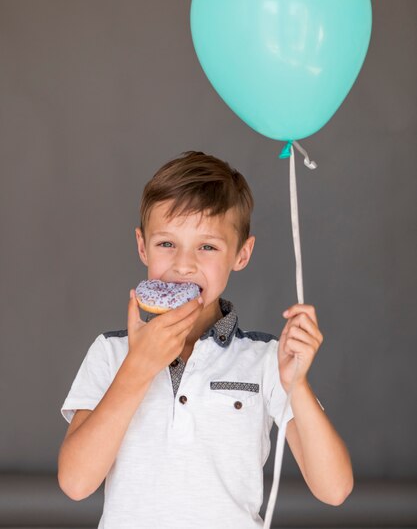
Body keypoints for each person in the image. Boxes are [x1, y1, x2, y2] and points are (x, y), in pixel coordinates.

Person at [58, 150, 353, 528]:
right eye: (167, 243)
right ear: (142, 246)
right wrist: (138, 367)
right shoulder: (110, 353)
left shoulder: (266, 359)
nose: (184, 264)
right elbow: (76, 483)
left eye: (207, 246)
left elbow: (335, 489)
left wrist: (296, 383)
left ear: (241, 254)